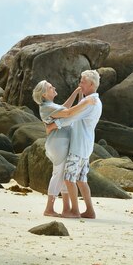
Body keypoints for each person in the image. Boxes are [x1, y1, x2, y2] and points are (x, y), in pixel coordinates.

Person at [32, 80, 96, 217]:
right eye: (50, 87)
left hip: (60, 142)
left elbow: (65, 108)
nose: (54, 87)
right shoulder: (46, 107)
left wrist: (76, 93)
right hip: (58, 143)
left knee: (63, 175)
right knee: (58, 175)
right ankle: (49, 208)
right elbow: (68, 113)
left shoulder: (50, 105)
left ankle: (66, 208)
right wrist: (86, 102)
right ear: (44, 94)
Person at [46, 70, 102, 219]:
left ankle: (75, 211)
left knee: (69, 178)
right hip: (87, 145)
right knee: (81, 180)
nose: (80, 84)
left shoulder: (88, 102)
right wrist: (79, 96)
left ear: (91, 84)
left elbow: (70, 116)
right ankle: (90, 211)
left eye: (82, 82)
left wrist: (52, 125)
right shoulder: (96, 101)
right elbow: (79, 111)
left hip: (78, 146)